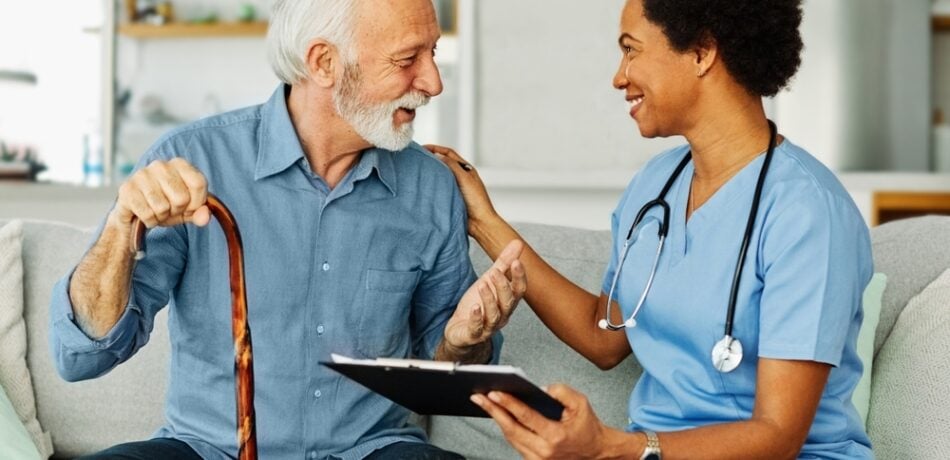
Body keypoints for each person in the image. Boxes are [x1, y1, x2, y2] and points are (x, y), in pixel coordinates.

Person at [49, 0, 527, 459]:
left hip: (372, 451)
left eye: (433, 53)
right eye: (407, 59)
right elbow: (80, 356)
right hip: (208, 450)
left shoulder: (431, 188)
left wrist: (464, 343)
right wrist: (120, 228)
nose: (433, 81)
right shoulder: (192, 160)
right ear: (323, 63)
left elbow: (443, 380)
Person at [428, 0, 874, 458]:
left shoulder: (807, 213)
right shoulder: (655, 185)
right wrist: (483, 221)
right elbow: (604, 337)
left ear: (702, 52)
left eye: (631, 50)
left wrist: (615, 448)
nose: (619, 76)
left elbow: (778, 436)